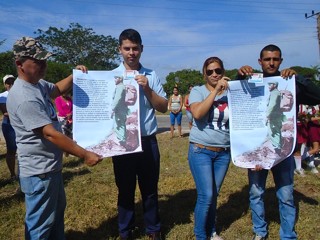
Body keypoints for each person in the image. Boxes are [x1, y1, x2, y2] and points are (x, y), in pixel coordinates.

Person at [7, 36, 102, 240]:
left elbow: (57, 89)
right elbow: (50, 133)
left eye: (44, 60)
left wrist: (74, 75)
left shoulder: (37, 85)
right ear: (19, 64)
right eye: (37, 62)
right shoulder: (24, 96)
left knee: (55, 218)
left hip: (51, 168)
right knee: (40, 225)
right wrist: (84, 154)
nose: (43, 66)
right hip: (39, 171)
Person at [236, 44, 299, 240]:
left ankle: (288, 235)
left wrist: (299, 79)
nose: (271, 63)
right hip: (257, 147)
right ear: (260, 61)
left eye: (275, 59)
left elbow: (316, 95)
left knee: (286, 195)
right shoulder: (250, 80)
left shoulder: (288, 81)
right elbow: (236, 95)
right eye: (267, 59)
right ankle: (260, 232)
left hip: (283, 150)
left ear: (281, 61)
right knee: (256, 193)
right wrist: (240, 76)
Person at [111, 29, 168, 240]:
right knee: (125, 189)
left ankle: (153, 229)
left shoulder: (151, 75)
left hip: (147, 141)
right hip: (123, 142)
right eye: (127, 48)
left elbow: (163, 107)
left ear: (142, 49)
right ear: (120, 50)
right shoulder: (112, 76)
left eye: (135, 48)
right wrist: (81, 75)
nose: (131, 53)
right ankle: (125, 230)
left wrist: (147, 89)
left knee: (150, 188)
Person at [188, 56, 231, 240]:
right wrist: (215, 92)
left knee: (214, 194)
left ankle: (211, 230)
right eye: (210, 71)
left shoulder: (231, 92)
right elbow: (197, 113)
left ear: (223, 72)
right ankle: (200, 235)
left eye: (218, 71)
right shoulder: (198, 91)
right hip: (201, 150)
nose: (214, 74)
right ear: (204, 74)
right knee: (206, 194)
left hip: (223, 152)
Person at [0, 74, 17, 179]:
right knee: (11, 150)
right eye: (8, 82)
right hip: (9, 124)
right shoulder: (2, 95)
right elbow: (5, 112)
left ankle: (23, 173)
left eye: (12, 81)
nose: (11, 84)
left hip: (21, 124)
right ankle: (13, 174)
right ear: (5, 84)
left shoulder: (20, 94)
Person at [266, 81, 284, 155]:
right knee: (276, 132)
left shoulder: (274, 93)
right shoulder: (278, 93)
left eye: (270, 84)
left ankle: (277, 152)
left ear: (274, 85)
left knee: (273, 133)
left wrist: (267, 115)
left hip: (273, 116)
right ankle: (277, 150)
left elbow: (272, 105)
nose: (269, 86)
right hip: (277, 116)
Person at [111, 76, 129, 149]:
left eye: (116, 78)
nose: (114, 80)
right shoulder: (122, 87)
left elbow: (117, 98)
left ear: (120, 79)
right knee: (120, 125)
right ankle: (122, 143)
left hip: (119, 110)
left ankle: (122, 144)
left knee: (119, 126)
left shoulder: (120, 87)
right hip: (122, 110)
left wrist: (112, 108)